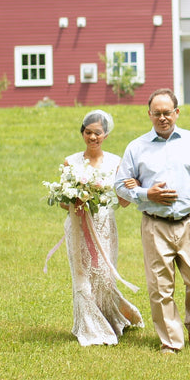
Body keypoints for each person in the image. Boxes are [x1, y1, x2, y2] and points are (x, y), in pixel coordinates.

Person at [115, 88, 190, 354]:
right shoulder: (136, 147)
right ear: (149, 115)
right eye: (156, 113)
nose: (162, 118)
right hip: (155, 224)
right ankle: (171, 342)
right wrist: (147, 194)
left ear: (177, 113)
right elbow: (120, 186)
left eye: (167, 112)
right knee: (160, 287)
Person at [61, 109, 144, 346]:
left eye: (97, 133)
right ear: (82, 133)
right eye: (88, 132)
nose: (92, 137)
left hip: (104, 226)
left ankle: (111, 318)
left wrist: (135, 185)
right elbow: (62, 202)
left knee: (105, 277)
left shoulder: (116, 163)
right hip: (77, 226)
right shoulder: (70, 162)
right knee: (82, 278)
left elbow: (124, 201)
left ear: (105, 135)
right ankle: (89, 328)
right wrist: (74, 200)